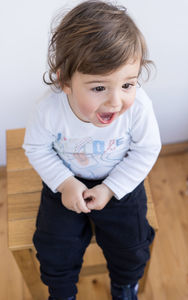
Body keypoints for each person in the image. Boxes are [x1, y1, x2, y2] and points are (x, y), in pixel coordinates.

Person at [23, 1, 161, 299]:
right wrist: (65, 183)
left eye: (128, 84)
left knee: (132, 245)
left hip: (118, 180)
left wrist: (111, 188)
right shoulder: (49, 110)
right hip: (66, 180)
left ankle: (125, 285)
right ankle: (61, 292)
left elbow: (146, 150)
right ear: (64, 80)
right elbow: (36, 148)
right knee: (54, 247)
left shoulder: (138, 108)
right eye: (99, 88)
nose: (115, 101)